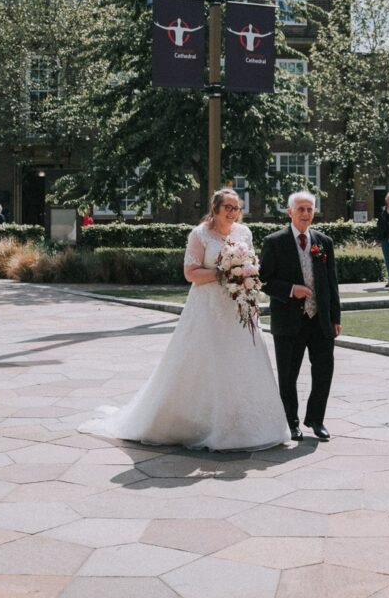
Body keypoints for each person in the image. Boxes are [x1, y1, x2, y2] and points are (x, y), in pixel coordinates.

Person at [81, 189, 289, 451]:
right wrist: (223, 272)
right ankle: (194, 423)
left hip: (236, 307)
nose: (232, 212)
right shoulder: (200, 234)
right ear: (215, 208)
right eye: (227, 206)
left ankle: (244, 425)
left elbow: (249, 265)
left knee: (241, 361)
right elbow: (190, 273)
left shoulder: (244, 233)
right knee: (204, 362)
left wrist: (244, 276)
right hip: (207, 309)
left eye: (236, 207)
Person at [261, 191, 342, 441]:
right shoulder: (274, 241)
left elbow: (332, 282)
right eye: (301, 209)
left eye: (309, 209)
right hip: (288, 321)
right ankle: (291, 422)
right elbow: (263, 281)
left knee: (324, 370)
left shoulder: (323, 242)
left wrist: (335, 317)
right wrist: (290, 290)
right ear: (290, 212)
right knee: (288, 374)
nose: (306, 214)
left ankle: (316, 420)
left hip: (320, 320)